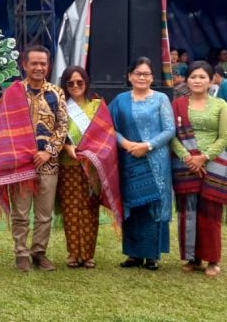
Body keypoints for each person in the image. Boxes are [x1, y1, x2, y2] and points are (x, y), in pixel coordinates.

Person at [0, 45, 67, 272]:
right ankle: (21, 254)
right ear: (24, 65)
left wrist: (48, 151)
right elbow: (1, 127)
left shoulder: (56, 93)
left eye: (43, 63)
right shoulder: (13, 93)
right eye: (34, 63)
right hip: (20, 163)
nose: (38, 67)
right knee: (21, 213)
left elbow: (62, 126)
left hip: (48, 162)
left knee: (44, 214)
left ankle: (39, 253)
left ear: (48, 66)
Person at [109, 56, 175, 270]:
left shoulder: (161, 99)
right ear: (130, 76)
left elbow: (169, 130)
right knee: (133, 204)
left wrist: (147, 145)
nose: (142, 77)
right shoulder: (120, 100)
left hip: (155, 160)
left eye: (146, 74)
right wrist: (126, 144)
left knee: (152, 205)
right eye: (138, 73)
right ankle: (133, 254)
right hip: (129, 159)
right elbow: (108, 127)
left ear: (152, 77)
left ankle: (151, 255)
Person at [56, 66, 123, 269]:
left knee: (89, 208)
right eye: (70, 83)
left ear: (86, 82)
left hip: (92, 167)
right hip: (68, 165)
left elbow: (106, 135)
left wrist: (93, 154)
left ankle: (87, 254)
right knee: (70, 208)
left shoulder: (97, 106)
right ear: (65, 85)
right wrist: (66, 146)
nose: (75, 86)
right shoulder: (60, 106)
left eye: (80, 82)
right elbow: (54, 132)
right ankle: (73, 253)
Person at [170, 61, 227, 278]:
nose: (197, 81)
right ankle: (193, 258)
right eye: (193, 77)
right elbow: (172, 135)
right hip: (185, 164)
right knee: (188, 211)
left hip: (213, 163)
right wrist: (187, 157)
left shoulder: (221, 105)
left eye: (202, 77)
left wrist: (204, 157)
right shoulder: (178, 104)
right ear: (187, 80)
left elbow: (224, 137)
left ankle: (212, 259)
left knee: (211, 212)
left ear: (211, 80)